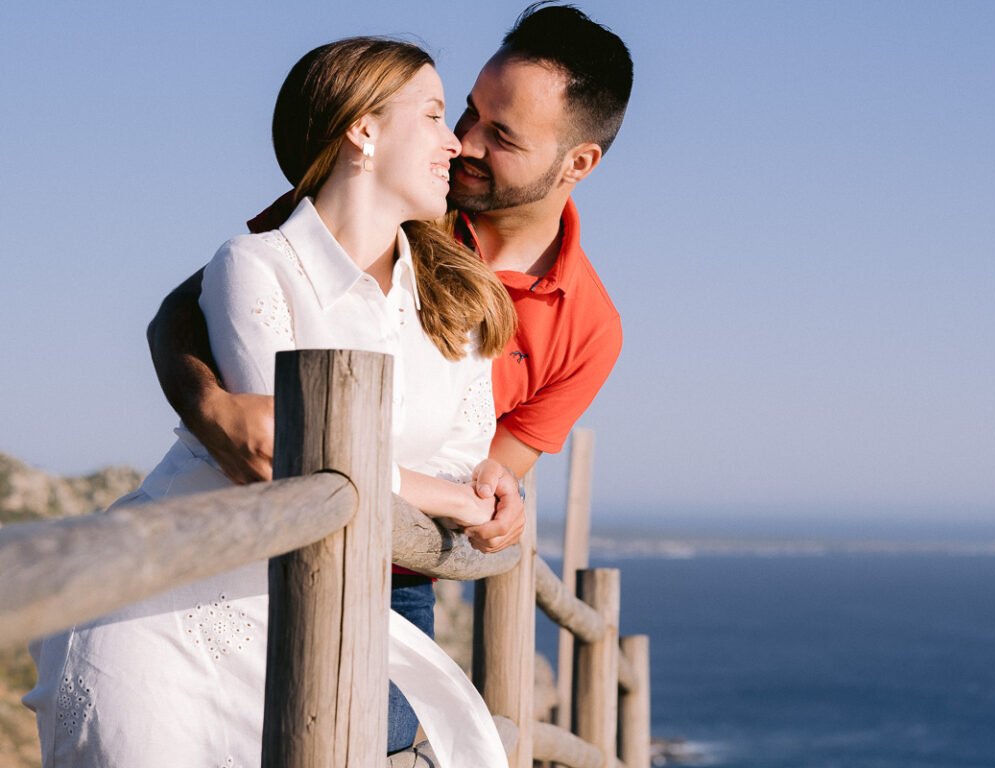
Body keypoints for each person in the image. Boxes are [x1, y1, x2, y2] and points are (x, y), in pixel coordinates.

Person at [25, 37, 516, 766]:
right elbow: (293, 454)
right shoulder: (253, 266)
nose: (455, 143)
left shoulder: (458, 304)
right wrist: (456, 500)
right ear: (364, 129)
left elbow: (457, 458)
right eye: (436, 114)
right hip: (168, 618)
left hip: (331, 615)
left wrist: (476, 492)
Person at [149, 2, 634, 555]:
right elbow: (190, 305)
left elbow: (479, 473)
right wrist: (209, 406)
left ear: (578, 163)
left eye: (502, 135)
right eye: (468, 113)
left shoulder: (590, 332)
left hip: (402, 564)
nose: (466, 143)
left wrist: (497, 499)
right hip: (273, 530)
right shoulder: (387, 192)